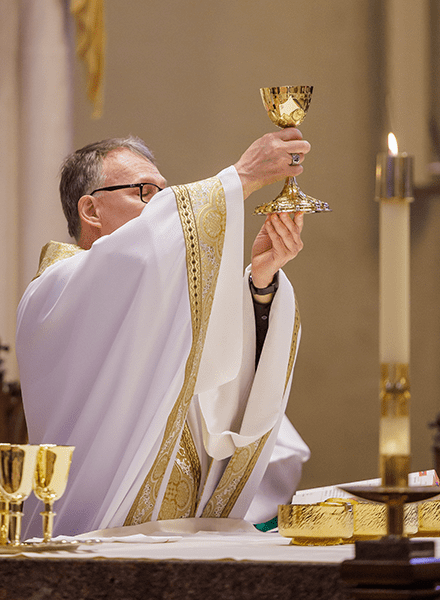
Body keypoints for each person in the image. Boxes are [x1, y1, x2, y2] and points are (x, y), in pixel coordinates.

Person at [16, 129, 311, 537]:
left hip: (187, 535)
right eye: (145, 192)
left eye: (165, 195)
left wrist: (260, 287)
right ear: (91, 210)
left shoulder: (165, 307)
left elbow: (221, 389)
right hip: (91, 534)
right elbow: (132, 259)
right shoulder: (56, 291)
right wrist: (241, 177)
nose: (161, 210)